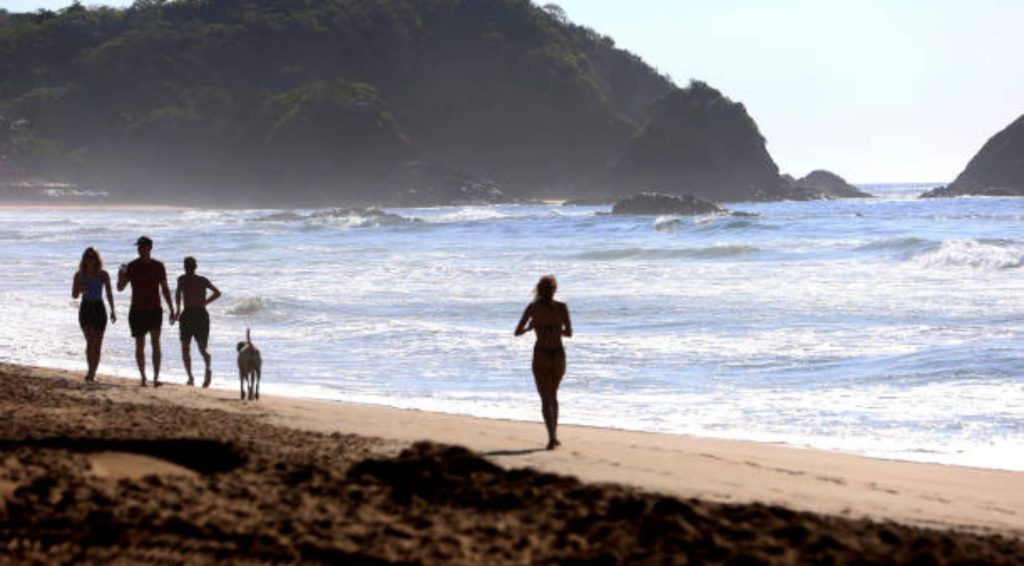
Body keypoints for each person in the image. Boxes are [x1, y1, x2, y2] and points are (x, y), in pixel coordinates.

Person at [514, 275, 573, 450]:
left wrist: (533, 328)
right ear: (554, 289)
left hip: (541, 353)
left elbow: (517, 332)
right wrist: (555, 330)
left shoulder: (533, 308)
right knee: (553, 395)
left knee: (545, 397)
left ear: (539, 289)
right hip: (558, 353)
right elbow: (569, 333)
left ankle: (551, 437)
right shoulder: (562, 307)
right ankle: (554, 435)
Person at [117, 236, 175, 387]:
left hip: (155, 309)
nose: (140, 249)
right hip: (137, 310)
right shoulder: (131, 266)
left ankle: (156, 377)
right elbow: (120, 288)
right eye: (139, 246)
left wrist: (172, 308)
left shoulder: (159, 266)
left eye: (143, 246)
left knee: (156, 343)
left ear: (150, 247)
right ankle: (143, 377)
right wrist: (120, 274)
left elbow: (165, 289)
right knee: (140, 344)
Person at [175, 256, 221, 387]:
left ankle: (194, 376)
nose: (188, 268)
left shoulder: (184, 279)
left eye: (189, 265)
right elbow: (217, 293)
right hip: (197, 314)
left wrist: (177, 310)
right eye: (188, 265)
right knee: (197, 348)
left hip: (192, 314)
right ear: (195, 266)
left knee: (191, 348)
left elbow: (178, 295)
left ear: (189, 266)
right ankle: (197, 374)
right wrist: (205, 303)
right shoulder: (199, 280)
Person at [71, 247, 116, 382]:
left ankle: (92, 372)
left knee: (98, 344)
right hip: (86, 308)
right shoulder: (79, 275)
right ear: (84, 259)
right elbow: (74, 295)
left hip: (99, 308)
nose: (90, 260)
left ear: (97, 259)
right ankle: (90, 372)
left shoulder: (103, 274)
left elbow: (109, 294)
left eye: (93, 257)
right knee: (90, 342)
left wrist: (113, 310)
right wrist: (79, 289)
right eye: (88, 257)